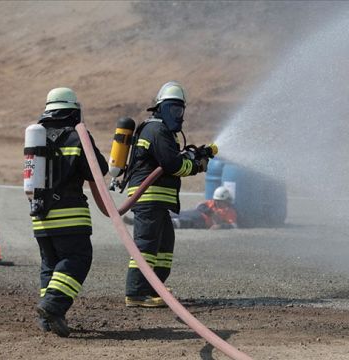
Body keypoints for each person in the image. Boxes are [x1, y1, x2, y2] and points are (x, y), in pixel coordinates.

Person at [32, 87, 109, 337]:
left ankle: (48, 319)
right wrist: (85, 136)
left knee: (50, 266)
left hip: (40, 216)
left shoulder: (36, 136)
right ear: (73, 111)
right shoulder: (77, 136)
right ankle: (53, 306)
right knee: (77, 259)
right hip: (70, 216)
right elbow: (98, 169)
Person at [124, 81, 208, 307]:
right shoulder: (156, 129)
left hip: (158, 200)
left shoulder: (162, 132)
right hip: (148, 197)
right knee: (146, 245)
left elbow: (173, 160)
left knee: (164, 246)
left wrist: (192, 157)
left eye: (180, 110)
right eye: (173, 109)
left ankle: (154, 287)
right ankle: (136, 292)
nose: (178, 115)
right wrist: (197, 166)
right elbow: (172, 165)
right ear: (161, 108)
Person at [171, 186, 238, 229]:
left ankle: (171, 223)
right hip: (197, 213)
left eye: (220, 201)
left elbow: (233, 225)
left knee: (187, 221)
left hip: (203, 221)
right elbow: (201, 206)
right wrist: (211, 213)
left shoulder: (230, 211)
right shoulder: (213, 203)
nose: (217, 203)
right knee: (181, 214)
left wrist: (220, 226)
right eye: (216, 201)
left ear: (226, 200)